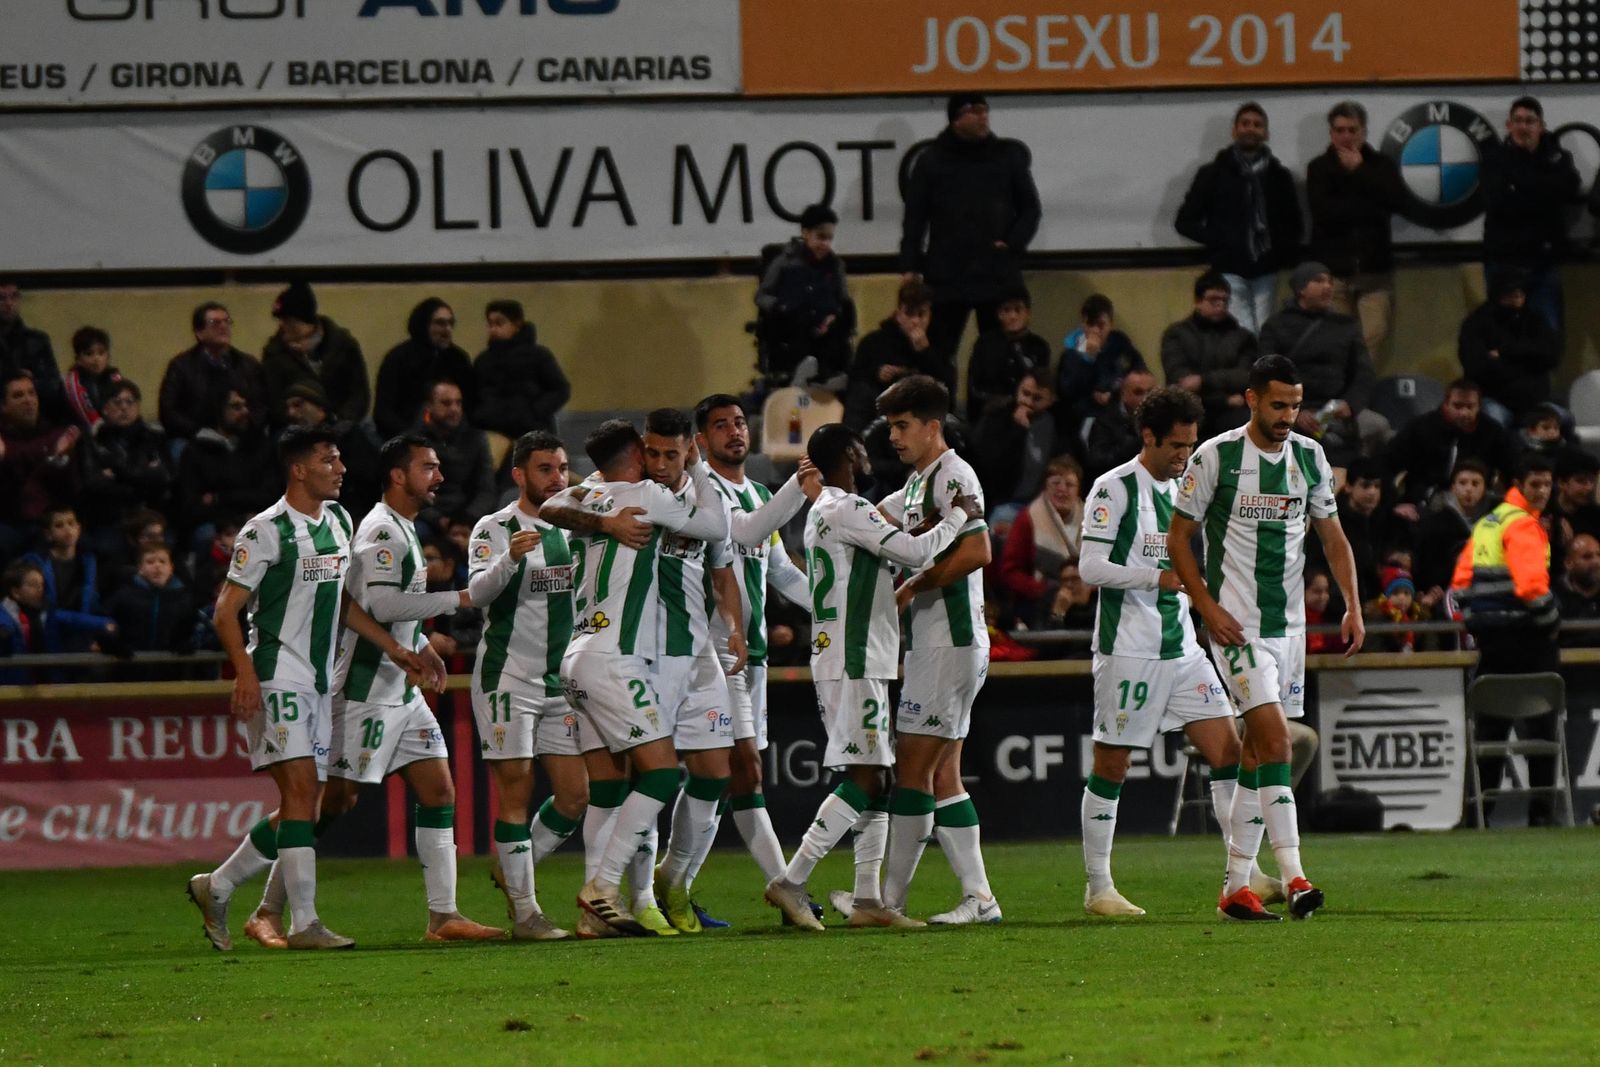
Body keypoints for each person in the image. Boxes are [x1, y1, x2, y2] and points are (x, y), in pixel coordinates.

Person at [240, 434, 499, 950]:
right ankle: (259, 903)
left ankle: (443, 914)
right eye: (429, 467)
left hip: (399, 688)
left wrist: (419, 642)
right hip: (360, 690)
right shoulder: (380, 530)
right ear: (400, 476)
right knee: (327, 804)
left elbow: (369, 601)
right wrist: (458, 599)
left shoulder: (396, 526)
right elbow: (377, 605)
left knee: (439, 791)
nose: (440, 477)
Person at [186, 424, 426, 952]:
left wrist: (393, 646)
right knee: (299, 796)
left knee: (306, 806)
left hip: (320, 683)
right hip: (276, 674)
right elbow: (226, 610)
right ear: (299, 469)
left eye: (339, 461)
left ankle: (217, 885)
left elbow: (341, 603)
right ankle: (304, 924)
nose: (341, 469)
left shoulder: (339, 521)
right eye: (329, 460)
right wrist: (244, 674)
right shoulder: (265, 530)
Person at [1169, 354, 1367, 921]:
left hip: (1291, 631)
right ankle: (1296, 876)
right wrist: (1205, 606)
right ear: (1251, 399)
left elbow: (1333, 539)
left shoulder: (1310, 457)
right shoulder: (1216, 457)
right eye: (1278, 404)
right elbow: (1179, 538)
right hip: (1237, 627)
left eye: (1296, 405)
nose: (1288, 416)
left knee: (1257, 755)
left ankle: (1235, 888)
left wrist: (1352, 605)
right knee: (1279, 742)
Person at [763, 421, 978, 931]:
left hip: (854, 657)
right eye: (861, 448)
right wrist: (957, 517)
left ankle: (866, 900)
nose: (869, 456)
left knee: (878, 778)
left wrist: (924, 529)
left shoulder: (827, 512)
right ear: (847, 455)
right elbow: (914, 554)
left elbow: (893, 554)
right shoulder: (847, 507)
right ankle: (792, 882)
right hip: (853, 658)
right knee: (866, 776)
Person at [1077, 386, 1271, 915]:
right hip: (1129, 651)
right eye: (1176, 446)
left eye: (1191, 444)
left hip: (1183, 650)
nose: (1185, 455)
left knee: (1229, 753)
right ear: (1149, 437)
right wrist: (1158, 577)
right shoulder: (1113, 489)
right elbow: (1089, 569)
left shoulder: (1189, 492)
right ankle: (1099, 888)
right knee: (1112, 764)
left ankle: (1244, 870)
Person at [539, 418, 729, 937]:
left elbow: (548, 506)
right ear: (637, 457)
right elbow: (716, 528)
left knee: (607, 785)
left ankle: (592, 918)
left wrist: (601, 523)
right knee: (663, 774)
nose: (659, 462)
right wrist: (696, 466)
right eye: (651, 453)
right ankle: (602, 886)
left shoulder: (590, 493)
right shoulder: (645, 493)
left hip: (576, 655)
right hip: (612, 657)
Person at [468, 431, 600, 942]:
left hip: (558, 682)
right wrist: (510, 559)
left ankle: (512, 868)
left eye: (563, 467)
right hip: (508, 677)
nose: (557, 478)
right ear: (519, 474)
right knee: (516, 791)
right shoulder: (496, 527)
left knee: (574, 796)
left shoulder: (576, 526)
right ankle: (525, 912)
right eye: (545, 469)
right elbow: (478, 594)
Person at [695, 394, 816, 923]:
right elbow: (741, 532)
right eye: (720, 425)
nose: (734, 431)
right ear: (700, 440)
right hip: (714, 651)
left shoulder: (760, 491)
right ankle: (785, 886)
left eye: (740, 422)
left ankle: (670, 885)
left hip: (755, 654)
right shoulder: (703, 488)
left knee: (732, 777)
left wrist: (836, 608)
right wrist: (799, 487)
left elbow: (781, 572)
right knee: (742, 768)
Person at [899, 93, 1042, 394]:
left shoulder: (1006, 156)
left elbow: (1030, 208)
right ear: (955, 118)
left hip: (996, 273)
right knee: (938, 354)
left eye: (984, 110)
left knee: (999, 355)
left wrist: (1012, 244)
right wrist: (910, 267)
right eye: (973, 111)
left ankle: (993, 421)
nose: (982, 116)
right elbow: (914, 220)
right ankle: (942, 420)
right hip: (947, 275)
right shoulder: (932, 161)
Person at [1451, 452, 1560, 825]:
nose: (1543, 491)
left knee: (1489, 734)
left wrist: (1479, 626)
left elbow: (1460, 586)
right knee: (1543, 733)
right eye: (1536, 484)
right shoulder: (1525, 526)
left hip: (1491, 647)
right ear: (1518, 484)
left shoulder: (1486, 524)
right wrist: (1551, 621)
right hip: (1529, 643)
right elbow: (1532, 587)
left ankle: (1479, 815)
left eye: (1547, 483)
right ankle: (1542, 815)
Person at [1174, 102, 1302, 333]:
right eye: (1245, 124)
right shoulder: (1212, 174)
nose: (1251, 129)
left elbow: (1294, 223)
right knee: (1243, 331)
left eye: (1257, 125)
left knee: (1265, 330)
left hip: (1267, 268)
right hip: (1228, 268)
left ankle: (1261, 370)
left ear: (1266, 133)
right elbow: (1184, 222)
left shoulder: (1279, 177)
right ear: (1234, 130)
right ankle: (1252, 370)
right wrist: (1221, 240)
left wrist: (1280, 252)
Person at [1305, 101, 1407, 356]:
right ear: (1331, 133)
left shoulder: (1381, 166)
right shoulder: (1319, 168)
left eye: (1352, 130)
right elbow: (1325, 213)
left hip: (1375, 271)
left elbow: (1395, 203)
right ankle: (1344, 393)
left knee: (1374, 334)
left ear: (1363, 132)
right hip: (1333, 274)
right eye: (1340, 130)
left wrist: (1359, 172)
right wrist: (1368, 206)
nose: (1346, 137)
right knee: (1337, 341)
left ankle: (1358, 392)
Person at [1257, 261, 1379, 469]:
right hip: (1291, 408)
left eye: (1330, 281)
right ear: (1301, 289)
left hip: (1336, 408)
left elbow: (1363, 373)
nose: (1328, 287)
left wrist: (1350, 404)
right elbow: (1267, 375)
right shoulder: (1276, 326)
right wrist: (1295, 411)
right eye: (1319, 281)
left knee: (1379, 426)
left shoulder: (1345, 326)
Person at [1481, 96, 1580, 337]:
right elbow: (1501, 203)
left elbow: (1570, 188)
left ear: (1541, 126)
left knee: (1548, 335)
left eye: (1529, 121)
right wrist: (1544, 190)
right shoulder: (1494, 159)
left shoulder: (1559, 157)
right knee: (1505, 336)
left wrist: (1520, 186)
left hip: (1544, 264)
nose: (1523, 127)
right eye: (1517, 121)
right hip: (1504, 263)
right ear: (1508, 125)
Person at [756, 204, 855, 390]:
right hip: (791, 324)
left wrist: (834, 316)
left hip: (825, 325)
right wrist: (780, 307)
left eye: (829, 238)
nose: (825, 244)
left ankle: (827, 379)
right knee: (798, 319)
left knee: (838, 328)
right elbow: (762, 296)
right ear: (805, 233)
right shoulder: (784, 262)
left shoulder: (835, 265)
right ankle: (802, 374)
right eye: (820, 237)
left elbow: (842, 299)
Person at [1383, 380, 1512, 517]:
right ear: (1446, 404)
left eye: (1470, 407)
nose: (1464, 413)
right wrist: (1395, 504)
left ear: (1479, 407)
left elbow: (1514, 469)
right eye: (1457, 406)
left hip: (1479, 505)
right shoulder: (1421, 427)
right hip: (1424, 505)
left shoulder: (1492, 432)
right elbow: (1385, 463)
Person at [175, 390, 279, 552]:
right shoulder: (196, 451)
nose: (245, 412)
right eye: (236, 407)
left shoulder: (260, 446)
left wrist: (219, 498)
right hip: (215, 525)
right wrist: (229, 523)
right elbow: (190, 507)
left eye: (246, 406)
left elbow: (270, 495)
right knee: (205, 536)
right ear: (218, 410)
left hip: (255, 518)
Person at [77, 380, 174, 551]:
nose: (124, 407)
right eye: (117, 402)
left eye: (130, 402)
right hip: (110, 517)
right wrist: (141, 482)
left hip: (150, 514)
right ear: (105, 409)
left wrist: (118, 473)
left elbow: (165, 477)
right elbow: (92, 484)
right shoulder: (92, 442)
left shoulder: (154, 438)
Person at [1457, 272, 1563, 429]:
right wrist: (1527, 366)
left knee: (1565, 420)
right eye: (1511, 295)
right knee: (1495, 422)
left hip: (1534, 402)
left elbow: (1551, 355)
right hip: (1494, 398)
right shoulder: (1477, 323)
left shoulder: (1534, 320)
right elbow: (1477, 366)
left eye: (1520, 295)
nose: (1516, 300)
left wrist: (1506, 353)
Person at [1160, 271, 1258, 439]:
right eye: (1213, 300)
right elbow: (1181, 382)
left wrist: (1204, 381)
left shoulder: (1242, 337)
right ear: (1198, 302)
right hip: (1192, 410)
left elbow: (1246, 376)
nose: (1220, 305)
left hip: (1233, 411)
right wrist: (1224, 399)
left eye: (1224, 300)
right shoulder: (1177, 335)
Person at [261, 281, 370, 427]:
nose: (282, 325)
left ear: (305, 321)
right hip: (297, 427)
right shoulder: (275, 354)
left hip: (343, 425)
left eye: (288, 320)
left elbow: (358, 393)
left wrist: (344, 420)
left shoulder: (343, 345)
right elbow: (273, 401)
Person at [158, 302, 268, 443]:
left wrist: (246, 428)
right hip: (194, 438)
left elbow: (262, 405)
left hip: (242, 436)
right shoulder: (181, 366)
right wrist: (198, 431)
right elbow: (168, 411)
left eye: (226, 321)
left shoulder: (248, 364)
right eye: (214, 322)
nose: (223, 326)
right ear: (199, 333)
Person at [0, 370, 81, 560]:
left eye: (31, 393)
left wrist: (61, 460)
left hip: (51, 520)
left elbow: (73, 490)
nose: (28, 400)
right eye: (18, 395)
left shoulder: (55, 436)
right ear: (3, 406)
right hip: (10, 521)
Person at [843, 280, 944, 430]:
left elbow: (945, 384)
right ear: (898, 313)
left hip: (919, 408)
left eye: (921, 314)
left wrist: (925, 352)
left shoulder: (939, 342)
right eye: (909, 313)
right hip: (880, 405)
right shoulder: (874, 341)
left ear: (929, 315)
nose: (915, 321)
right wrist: (877, 373)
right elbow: (855, 379)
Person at [281, 382, 383, 527]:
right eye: (288, 408)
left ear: (319, 406)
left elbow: (370, 480)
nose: (291, 413)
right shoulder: (291, 446)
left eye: (298, 405)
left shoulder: (349, 436)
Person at [1000, 456, 1084, 628]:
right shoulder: (1027, 519)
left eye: (1069, 485)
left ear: (1078, 490)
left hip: (1085, 601)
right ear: (1046, 486)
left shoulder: (1092, 518)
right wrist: (1044, 592)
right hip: (1038, 603)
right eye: (1056, 483)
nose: (1062, 489)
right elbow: (1011, 572)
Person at [373, 298, 475, 440]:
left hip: (452, 437)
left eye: (450, 324)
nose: (447, 330)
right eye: (440, 323)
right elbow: (384, 412)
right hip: (405, 436)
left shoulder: (458, 359)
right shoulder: (398, 358)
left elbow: (470, 404)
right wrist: (410, 437)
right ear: (423, 325)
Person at [472, 300, 571, 440]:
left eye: (499, 323)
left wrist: (534, 412)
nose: (493, 329)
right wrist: (481, 414)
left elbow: (560, 389)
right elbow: (475, 394)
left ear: (516, 324)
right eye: (490, 324)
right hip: (492, 433)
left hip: (531, 431)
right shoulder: (483, 361)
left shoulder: (538, 355)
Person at [1056, 294, 1147, 439]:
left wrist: (1116, 392)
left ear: (1111, 323)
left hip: (1122, 412)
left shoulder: (1120, 344)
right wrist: (1089, 358)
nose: (1095, 331)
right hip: (1088, 417)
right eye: (1090, 325)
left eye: (1100, 325)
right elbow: (1067, 393)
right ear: (1083, 323)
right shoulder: (1071, 354)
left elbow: (1138, 370)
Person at [415, 380, 496, 534]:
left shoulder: (476, 438)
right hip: (427, 519)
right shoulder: (413, 441)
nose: (454, 409)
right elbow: (411, 493)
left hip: (468, 518)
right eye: (446, 403)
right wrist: (440, 521)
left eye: (458, 403)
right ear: (429, 406)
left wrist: (467, 519)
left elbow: (486, 490)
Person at [23, 506, 105, 653]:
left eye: (71, 523)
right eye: (59, 525)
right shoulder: (35, 562)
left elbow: (93, 602)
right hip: (46, 634)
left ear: (79, 528)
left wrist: (95, 636)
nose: (67, 529)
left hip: (82, 635)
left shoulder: (89, 561)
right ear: (48, 534)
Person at [964, 284, 1050, 424]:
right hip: (990, 414)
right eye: (1007, 310)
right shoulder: (985, 344)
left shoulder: (1039, 347)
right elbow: (974, 387)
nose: (1013, 316)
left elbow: (1043, 387)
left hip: (1028, 413)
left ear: (1028, 313)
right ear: (999, 314)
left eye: (1018, 310)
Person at [970, 369, 1056, 508]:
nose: (1028, 402)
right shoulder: (996, 415)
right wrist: (1019, 430)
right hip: (997, 500)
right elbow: (988, 464)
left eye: (1037, 398)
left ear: (1051, 400)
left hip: (1037, 503)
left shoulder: (1053, 425)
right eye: (1025, 393)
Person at [105, 542, 196, 671]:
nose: (157, 566)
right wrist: (114, 645)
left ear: (171, 568)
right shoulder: (123, 597)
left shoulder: (183, 599)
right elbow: (105, 625)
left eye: (162, 561)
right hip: (128, 670)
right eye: (150, 562)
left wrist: (183, 643)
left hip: (169, 673)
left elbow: (189, 631)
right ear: (140, 568)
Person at [1415, 459, 1491, 598]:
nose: (1469, 489)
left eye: (1475, 483)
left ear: (1484, 488)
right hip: (1444, 595)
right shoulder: (1434, 523)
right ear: (1453, 487)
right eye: (1462, 483)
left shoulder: (1493, 523)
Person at [0, 281, 67, 426]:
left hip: (38, 419)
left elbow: (53, 384)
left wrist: (30, 382)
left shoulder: (37, 340)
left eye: (13, 297)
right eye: (2, 298)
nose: (8, 303)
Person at [1085, 369, 1156, 484]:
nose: (1146, 398)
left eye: (1151, 392)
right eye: (1138, 392)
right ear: (1124, 394)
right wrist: (1136, 442)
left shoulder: (1166, 419)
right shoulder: (1105, 421)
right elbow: (1099, 463)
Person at [63, 326, 123, 431]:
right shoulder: (71, 383)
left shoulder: (114, 377)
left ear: (108, 356)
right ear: (78, 359)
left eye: (101, 353)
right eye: (89, 354)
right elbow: (92, 422)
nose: (96, 359)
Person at [1556, 533, 1600, 646]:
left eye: (1598, 555)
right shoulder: (1555, 598)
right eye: (1587, 557)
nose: (1596, 561)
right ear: (1568, 563)